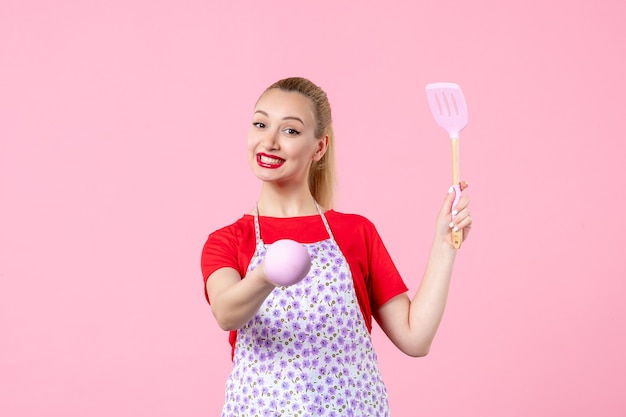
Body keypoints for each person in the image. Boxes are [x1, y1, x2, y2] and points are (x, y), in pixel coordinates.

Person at [201, 77, 472, 417]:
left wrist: (445, 245)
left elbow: (415, 338)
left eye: (290, 131)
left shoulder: (355, 232)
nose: (269, 141)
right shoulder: (227, 240)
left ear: (319, 147)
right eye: (260, 124)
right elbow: (227, 313)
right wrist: (267, 274)